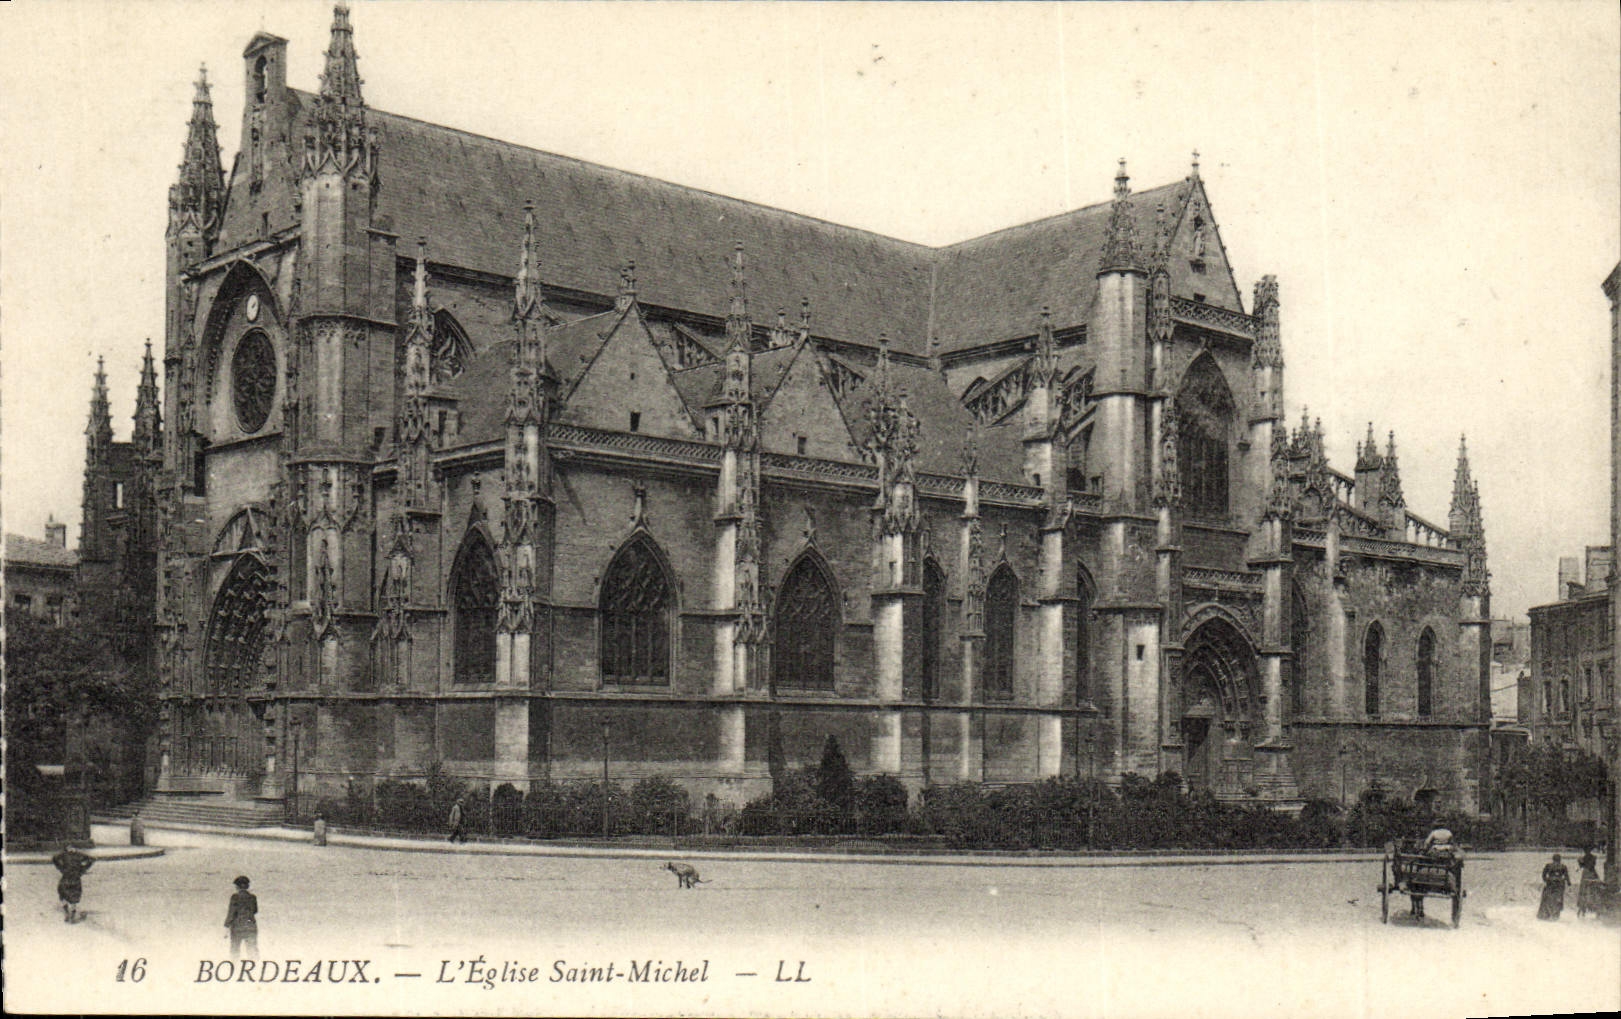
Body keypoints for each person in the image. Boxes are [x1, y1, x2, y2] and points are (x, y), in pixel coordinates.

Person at [51, 844, 93, 924]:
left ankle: (67, 912)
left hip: (66, 877)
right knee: (74, 896)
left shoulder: (64, 855)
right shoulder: (79, 855)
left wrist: (61, 868)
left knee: (62, 894)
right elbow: (91, 859)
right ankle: (72, 915)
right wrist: (83, 869)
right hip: (76, 878)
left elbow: (55, 858)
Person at [224, 876, 259, 959]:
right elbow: (255, 910)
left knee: (235, 950)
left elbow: (231, 913)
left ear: (237, 887)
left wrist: (226, 926)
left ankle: (235, 966)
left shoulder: (235, 897)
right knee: (252, 950)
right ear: (248, 886)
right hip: (250, 926)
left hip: (237, 927)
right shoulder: (253, 897)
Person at [1538, 853, 1571, 921]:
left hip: (1550, 883)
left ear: (1553, 859)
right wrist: (1569, 884)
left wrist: (1546, 880)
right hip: (1559, 884)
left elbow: (1543, 875)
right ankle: (1555, 915)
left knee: (1547, 898)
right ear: (1560, 860)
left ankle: (1546, 914)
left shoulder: (1548, 865)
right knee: (1558, 899)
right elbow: (1566, 876)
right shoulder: (1563, 866)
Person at [1577, 847, 1601, 918]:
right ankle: (1593, 908)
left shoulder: (1583, 858)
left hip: (1586, 874)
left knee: (1584, 891)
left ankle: (1582, 908)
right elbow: (1591, 866)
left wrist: (1580, 862)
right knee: (1593, 890)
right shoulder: (1594, 857)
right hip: (1592, 874)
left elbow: (1582, 866)